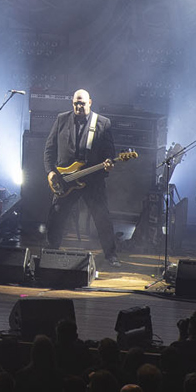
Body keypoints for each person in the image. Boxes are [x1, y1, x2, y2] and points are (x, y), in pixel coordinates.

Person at [42, 89, 121, 268]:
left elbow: (110, 152)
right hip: (66, 180)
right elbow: (49, 149)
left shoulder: (102, 123)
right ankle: (51, 249)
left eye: (82, 103)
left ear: (90, 102)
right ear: (72, 103)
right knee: (56, 214)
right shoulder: (61, 119)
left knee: (102, 217)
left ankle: (111, 255)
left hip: (92, 180)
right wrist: (51, 172)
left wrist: (109, 162)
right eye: (76, 103)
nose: (79, 106)